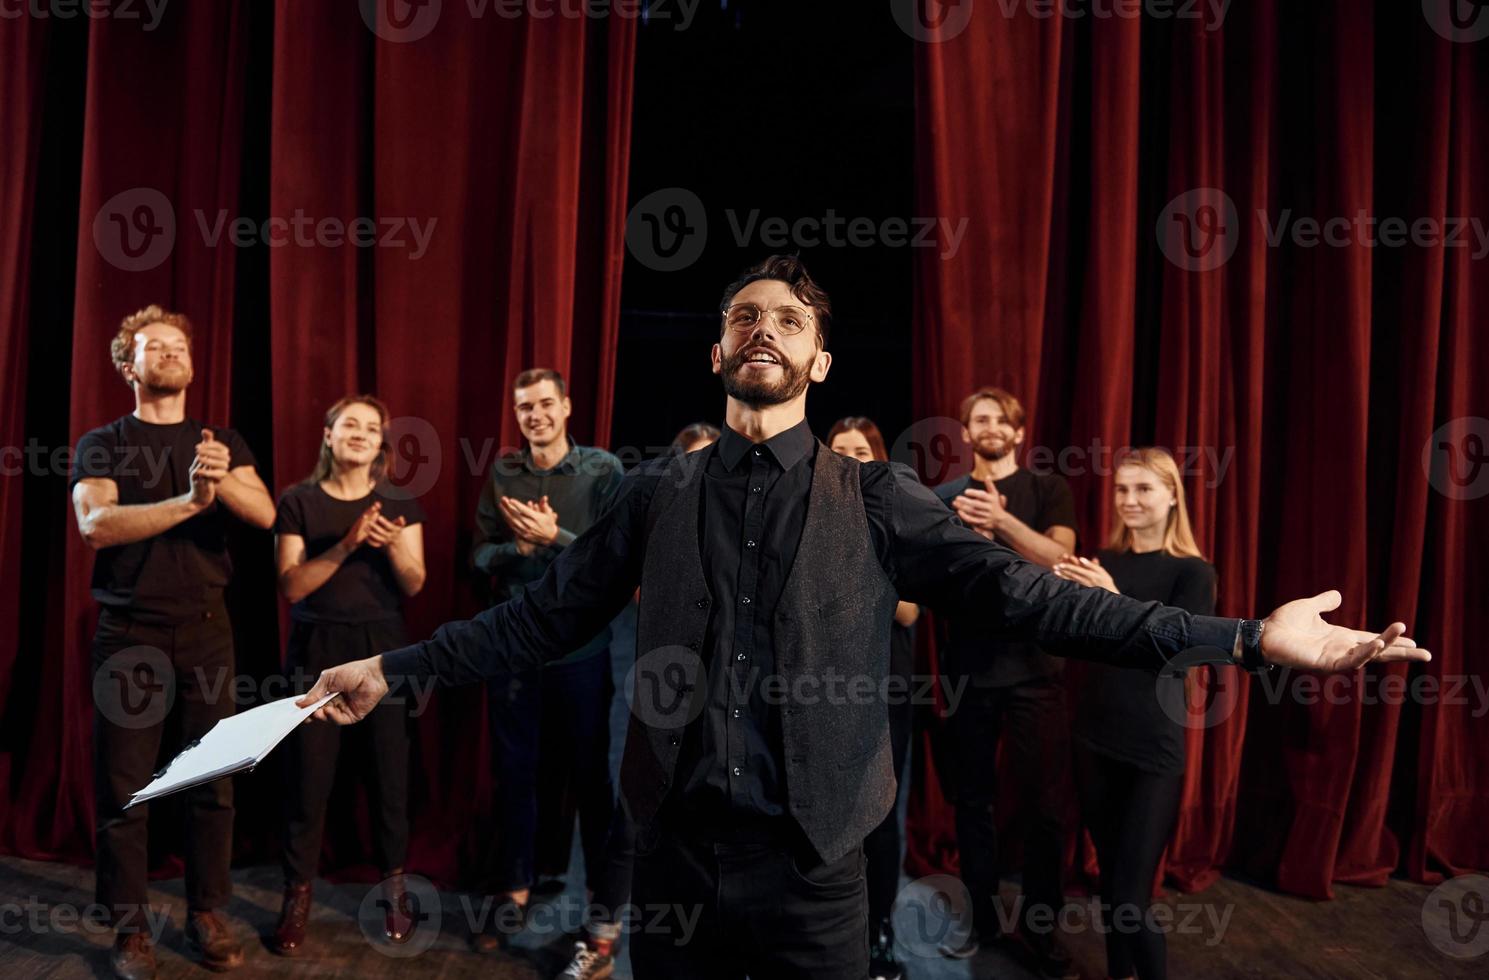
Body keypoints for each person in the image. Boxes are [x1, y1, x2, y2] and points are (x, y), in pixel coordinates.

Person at [298, 255, 1427, 980]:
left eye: (786, 318)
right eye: (742, 314)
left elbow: (1035, 597)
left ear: (818, 359)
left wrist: (1243, 636)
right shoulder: (654, 494)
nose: (762, 328)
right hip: (678, 860)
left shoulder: (879, 497)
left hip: (819, 870)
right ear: (714, 351)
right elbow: (539, 619)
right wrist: (392, 669)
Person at [70, 305, 275, 980]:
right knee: (126, 788)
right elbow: (97, 523)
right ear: (128, 366)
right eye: (154, 347)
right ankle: (130, 930)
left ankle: (207, 910)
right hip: (130, 633)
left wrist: (222, 481)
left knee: (212, 779)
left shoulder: (219, 441)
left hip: (208, 631)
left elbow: (267, 514)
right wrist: (190, 501)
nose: (170, 353)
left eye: (179, 345)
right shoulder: (103, 442)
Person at [557, 421, 724, 980]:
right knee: (633, 818)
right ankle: (600, 943)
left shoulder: (754, 521)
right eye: (693, 460)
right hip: (666, 689)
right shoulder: (662, 518)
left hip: (735, 703)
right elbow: (626, 583)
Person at [468, 368, 625, 953]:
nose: (534, 415)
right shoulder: (503, 472)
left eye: (544, 404)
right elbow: (479, 555)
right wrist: (520, 548)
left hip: (581, 651)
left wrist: (556, 537)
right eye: (523, 408)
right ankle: (513, 891)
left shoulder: (603, 470)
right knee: (516, 774)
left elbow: (617, 561)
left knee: (590, 779)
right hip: (513, 648)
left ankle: (601, 912)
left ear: (566, 407)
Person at [267, 395, 427, 955]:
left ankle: (395, 889)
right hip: (316, 648)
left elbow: (414, 583)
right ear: (329, 436)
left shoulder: (397, 500)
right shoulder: (298, 500)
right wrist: (348, 544)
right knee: (307, 781)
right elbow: (290, 587)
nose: (360, 433)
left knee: (389, 775)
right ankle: (297, 893)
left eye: (371, 428)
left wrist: (386, 549)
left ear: (381, 443)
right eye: (349, 425)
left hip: (383, 650)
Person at [931, 387, 1080, 976]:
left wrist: (1001, 522)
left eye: (1002, 420)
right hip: (967, 672)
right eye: (979, 419)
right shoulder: (945, 497)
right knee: (972, 805)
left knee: (1045, 809)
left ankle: (1041, 933)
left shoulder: (1047, 490)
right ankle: (983, 923)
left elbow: (1061, 563)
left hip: (1035, 674)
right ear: (967, 434)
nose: (990, 427)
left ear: (1018, 432)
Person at [1054, 448, 1214, 980]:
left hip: (1152, 749)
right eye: (1122, 489)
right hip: (1093, 738)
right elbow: (1083, 644)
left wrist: (1109, 597)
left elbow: (1176, 648)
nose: (1130, 500)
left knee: (1129, 894)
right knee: (1110, 885)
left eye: (1144, 489)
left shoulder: (1192, 572)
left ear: (1172, 496)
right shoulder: (1103, 559)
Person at [828, 416, 921, 980]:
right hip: (822, 688)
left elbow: (909, 611)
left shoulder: (899, 516)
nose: (852, 460)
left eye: (861, 451)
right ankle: (831, 932)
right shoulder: (811, 511)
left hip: (885, 688)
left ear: (879, 457)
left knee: (880, 815)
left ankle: (879, 931)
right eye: (841, 452)